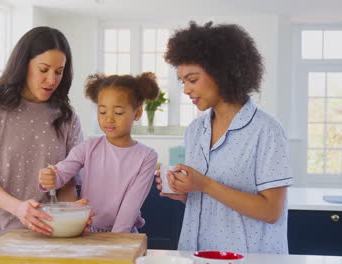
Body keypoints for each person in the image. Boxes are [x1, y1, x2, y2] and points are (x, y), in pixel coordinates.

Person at [155, 21, 293, 254]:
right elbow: (211, 202)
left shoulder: (266, 130)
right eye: (183, 82)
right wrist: (186, 192)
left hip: (248, 258)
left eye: (192, 79)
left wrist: (205, 185)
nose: (186, 90)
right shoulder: (195, 130)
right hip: (196, 255)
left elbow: (271, 211)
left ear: (222, 72)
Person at [0, 26, 91, 242]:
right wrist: (20, 209)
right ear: (23, 65)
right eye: (44, 69)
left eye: (59, 72)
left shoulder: (67, 118)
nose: (51, 80)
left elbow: (67, 186)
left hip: (51, 238)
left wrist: (72, 215)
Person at [39, 72, 160, 233]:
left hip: (122, 234)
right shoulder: (88, 147)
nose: (108, 119)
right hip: (87, 231)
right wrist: (50, 177)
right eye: (102, 112)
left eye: (118, 113)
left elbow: (130, 207)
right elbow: (63, 172)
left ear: (137, 113)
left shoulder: (147, 156)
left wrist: (116, 242)